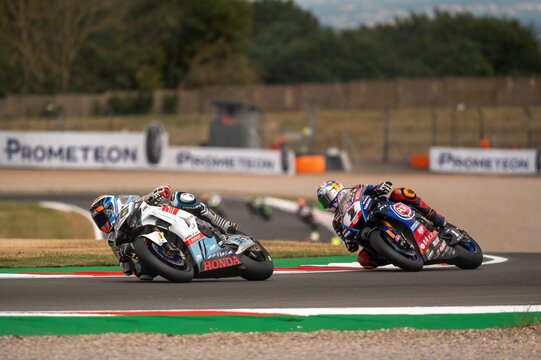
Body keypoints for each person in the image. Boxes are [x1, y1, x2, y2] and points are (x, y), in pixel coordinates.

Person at [89, 185, 239, 280]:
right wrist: (124, 257)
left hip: (168, 221)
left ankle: (223, 225)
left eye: (102, 217)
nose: (102, 222)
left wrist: (158, 193)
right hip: (155, 251)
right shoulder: (113, 239)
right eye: (99, 220)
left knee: (182, 198)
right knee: (143, 274)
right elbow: (127, 270)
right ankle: (178, 262)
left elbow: (153, 195)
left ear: (110, 208)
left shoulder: (131, 202)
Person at [316, 180, 446, 269]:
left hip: (378, 208)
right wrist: (350, 241)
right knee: (364, 260)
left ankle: (434, 217)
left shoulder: (355, 189)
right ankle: (395, 255)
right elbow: (351, 247)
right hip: (364, 230)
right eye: (323, 201)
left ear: (335, 190)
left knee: (400, 192)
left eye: (326, 198)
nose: (326, 203)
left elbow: (371, 187)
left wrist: (380, 187)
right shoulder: (336, 222)